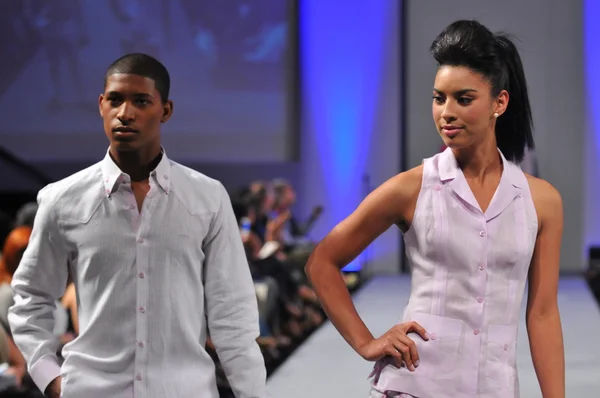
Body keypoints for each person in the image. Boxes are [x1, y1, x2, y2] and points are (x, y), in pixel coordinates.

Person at [305, 20, 564, 398]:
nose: (446, 112)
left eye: (463, 98)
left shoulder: (541, 201)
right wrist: (366, 342)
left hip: (496, 388)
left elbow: (542, 314)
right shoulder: (411, 188)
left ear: (499, 103)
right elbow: (322, 261)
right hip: (416, 385)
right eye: (439, 97)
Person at [8, 53, 268, 398]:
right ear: (101, 105)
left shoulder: (207, 198)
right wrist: (49, 378)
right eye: (115, 100)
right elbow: (31, 295)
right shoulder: (62, 200)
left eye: (141, 101)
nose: (125, 113)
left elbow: (232, 311)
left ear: (166, 110)